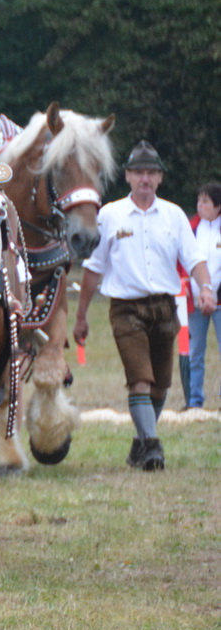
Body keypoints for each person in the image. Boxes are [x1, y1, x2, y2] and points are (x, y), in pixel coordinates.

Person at [74, 142, 215, 470]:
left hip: (165, 308)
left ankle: (139, 443)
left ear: (160, 178)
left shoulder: (174, 215)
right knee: (140, 378)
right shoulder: (109, 214)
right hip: (126, 310)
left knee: (161, 384)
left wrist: (205, 288)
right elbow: (93, 269)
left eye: (151, 172)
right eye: (138, 172)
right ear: (127, 176)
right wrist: (81, 316)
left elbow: (194, 259)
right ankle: (152, 446)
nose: (145, 178)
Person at [187, 182, 221, 409]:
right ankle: (194, 400)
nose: (200, 206)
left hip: (220, 302)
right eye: (199, 201)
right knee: (194, 353)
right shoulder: (191, 229)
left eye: (206, 202)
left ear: (218, 206)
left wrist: (214, 294)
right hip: (195, 302)